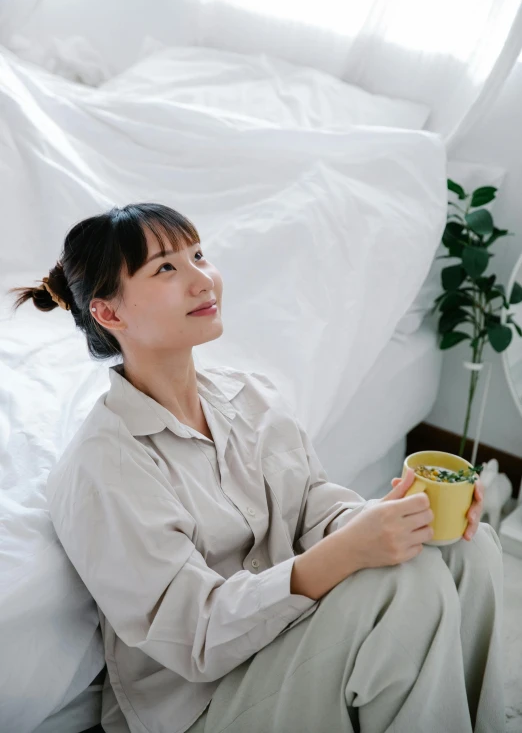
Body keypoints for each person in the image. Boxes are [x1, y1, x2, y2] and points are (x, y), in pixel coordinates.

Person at [10, 203, 504, 733]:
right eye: (166, 268)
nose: (203, 280)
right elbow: (196, 637)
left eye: (198, 254)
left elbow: (313, 505)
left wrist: (393, 516)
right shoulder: (103, 467)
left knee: (464, 546)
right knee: (409, 586)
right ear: (110, 314)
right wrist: (340, 555)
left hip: (286, 638)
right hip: (203, 703)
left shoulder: (249, 396)